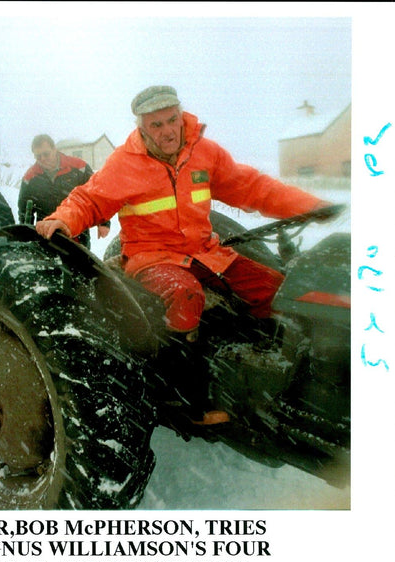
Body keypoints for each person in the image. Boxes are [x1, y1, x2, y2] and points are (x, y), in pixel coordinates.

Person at [36, 85, 334, 425]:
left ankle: (277, 371)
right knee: (185, 295)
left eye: (171, 120)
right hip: (152, 256)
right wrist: (62, 219)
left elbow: (252, 187)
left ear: (181, 117)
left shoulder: (203, 153)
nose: (167, 131)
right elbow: (89, 199)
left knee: (275, 288)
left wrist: (308, 206)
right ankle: (178, 394)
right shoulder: (125, 163)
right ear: (142, 128)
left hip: (204, 252)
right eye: (156, 125)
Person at [18, 134, 110, 248]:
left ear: (54, 149)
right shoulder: (30, 178)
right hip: (46, 235)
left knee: (78, 259)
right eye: (38, 156)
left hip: (77, 232)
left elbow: (96, 193)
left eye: (46, 154)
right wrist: (26, 237)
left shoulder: (79, 167)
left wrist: (104, 222)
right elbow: (24, 211)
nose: (42, 159)